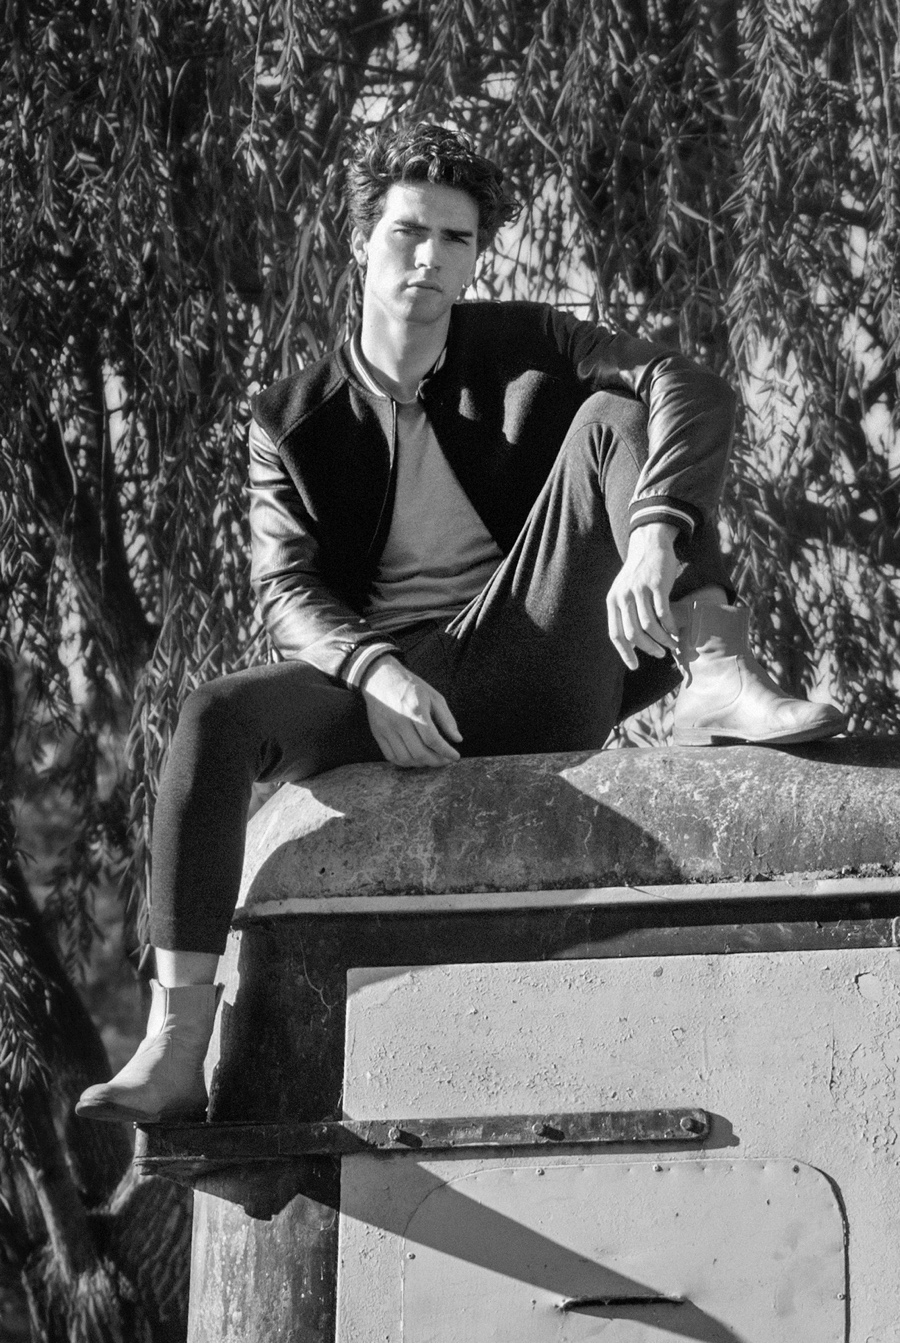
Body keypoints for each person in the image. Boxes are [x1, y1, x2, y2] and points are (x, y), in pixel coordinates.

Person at [77, 122, 844, 1124]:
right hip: (395, 691)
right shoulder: (290, 419)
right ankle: (176, 1047)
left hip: (536, 654)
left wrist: (657, 533)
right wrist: (376, 671)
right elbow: (286, 591)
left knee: (614, 419)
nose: (430, 259)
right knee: (213, 717)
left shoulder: (526, 346)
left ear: (475, 256)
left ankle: (714, 672)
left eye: (456, 239)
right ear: (362, 239)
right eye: (409, 232)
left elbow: (689, 385)